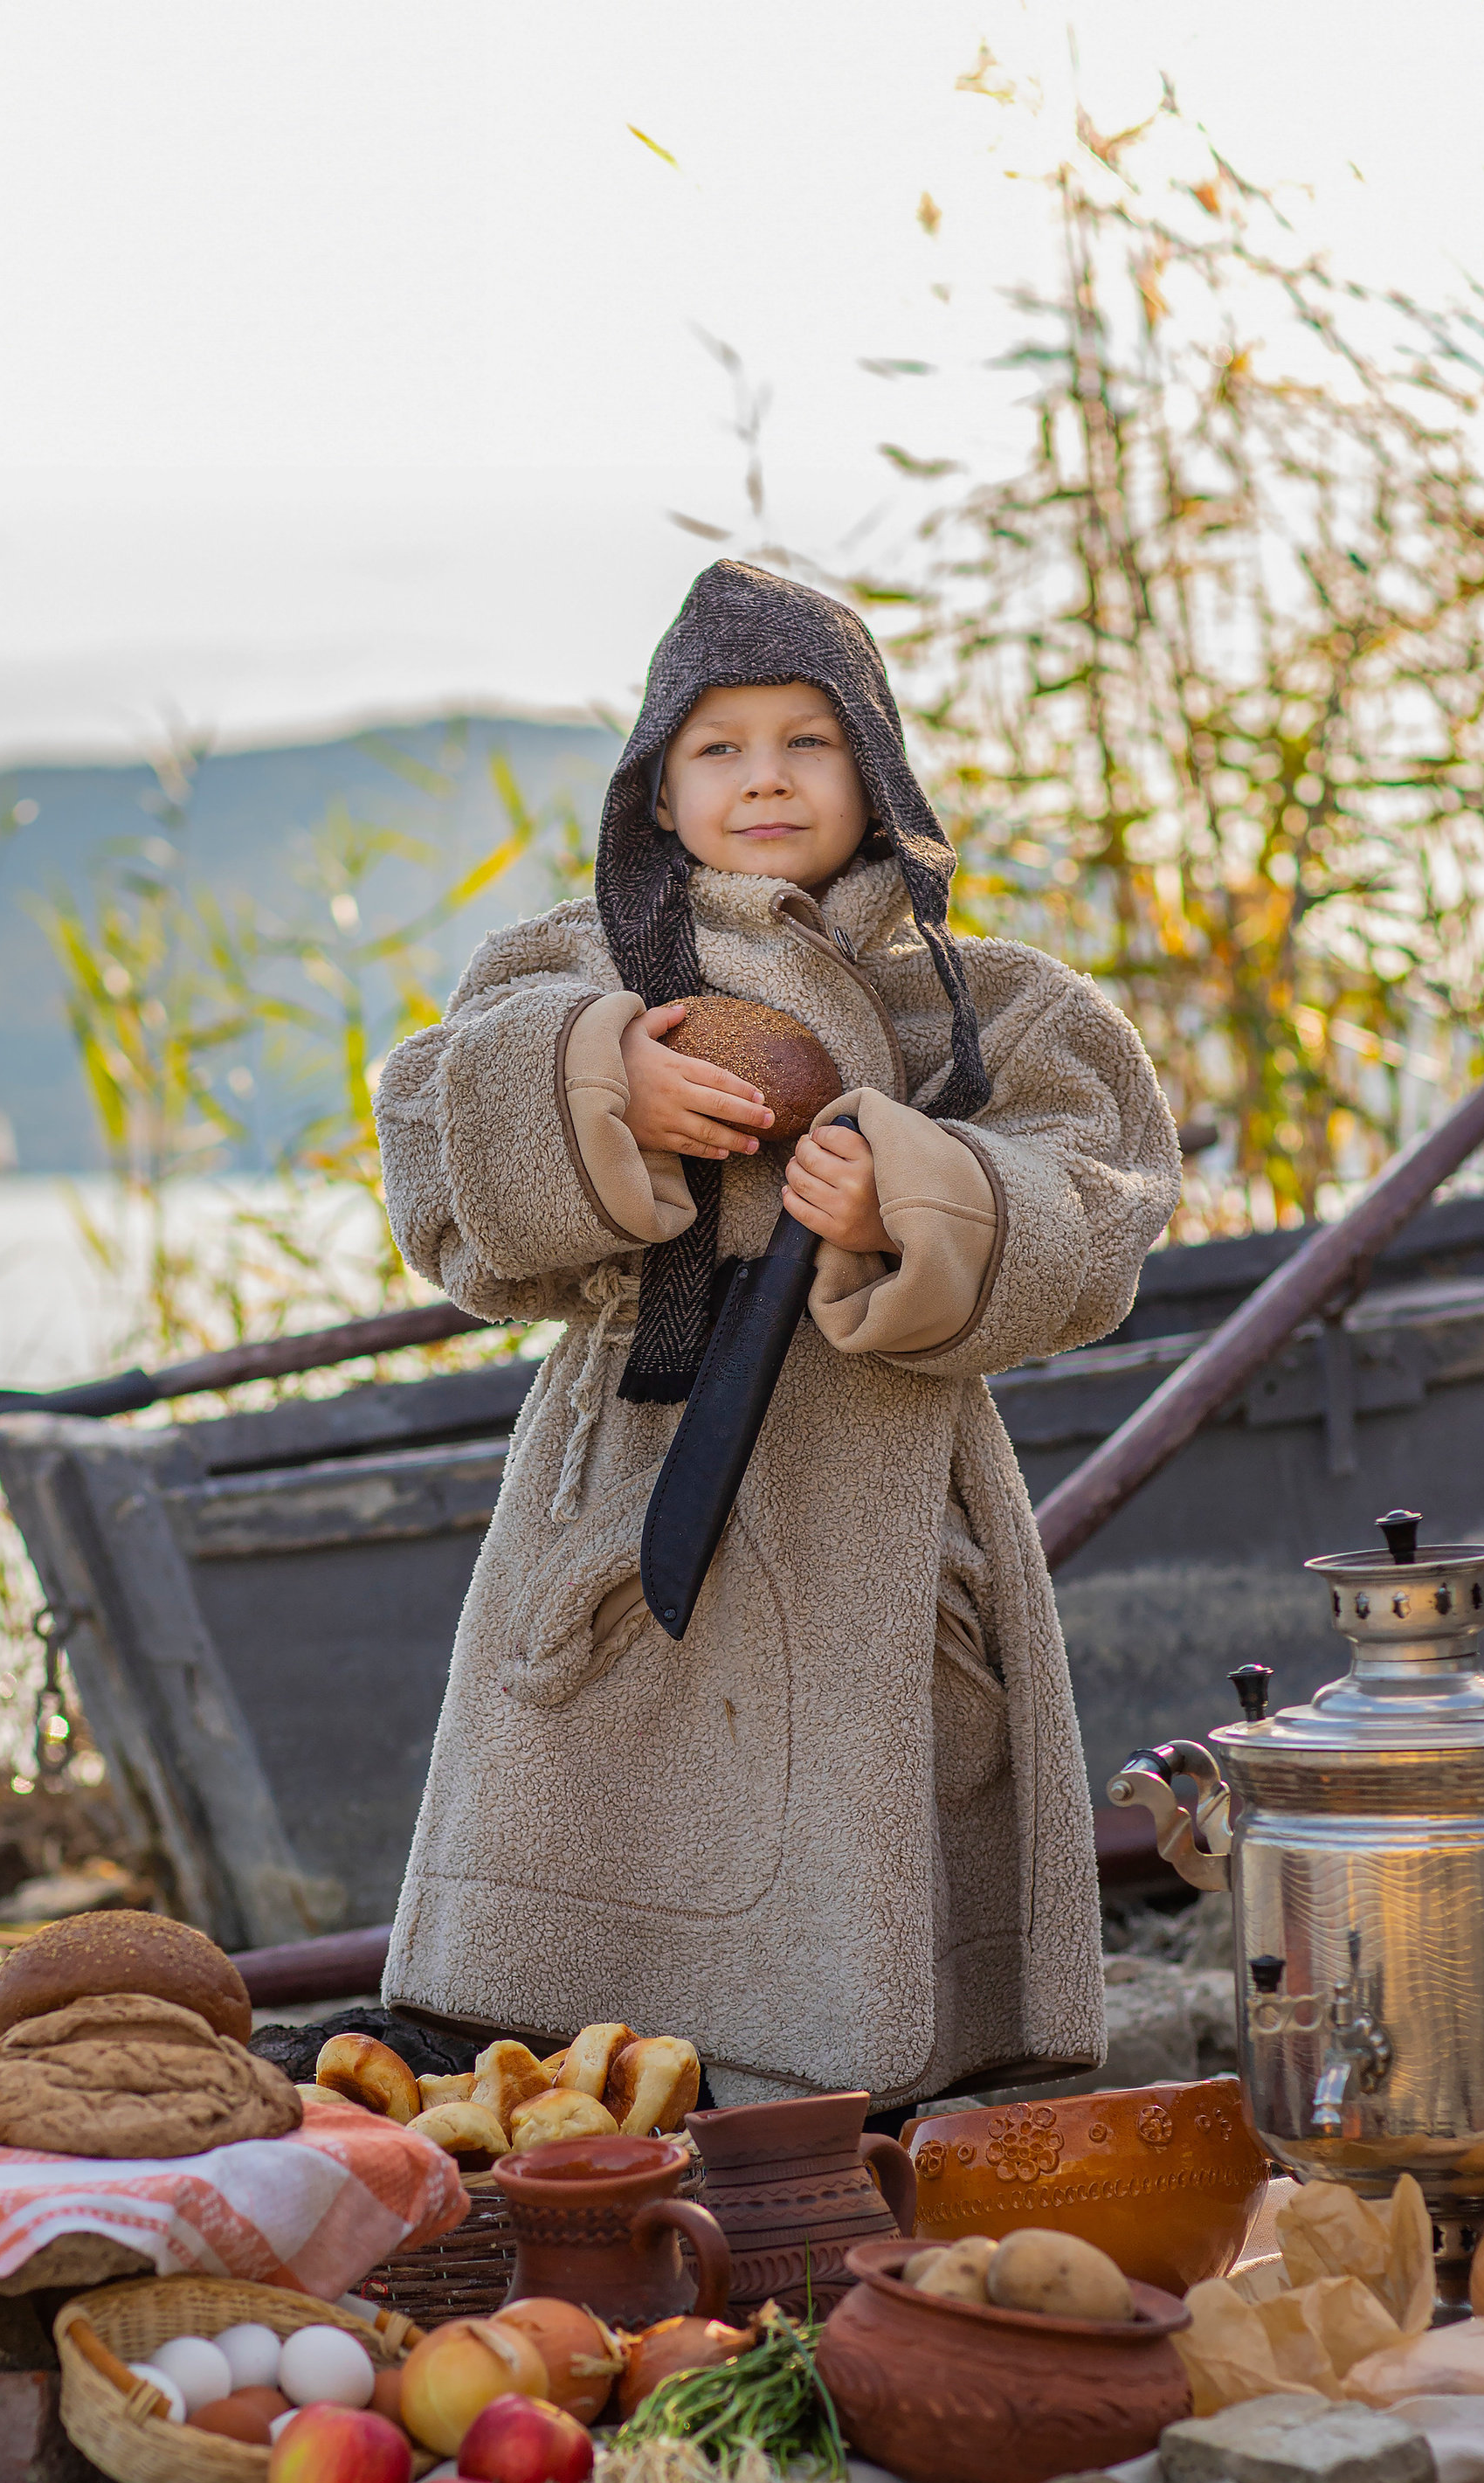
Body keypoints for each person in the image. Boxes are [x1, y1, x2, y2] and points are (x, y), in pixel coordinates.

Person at [375, 560, 1179, 2108]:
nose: (764, 778)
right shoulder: (573, 973)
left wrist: (923, 1197)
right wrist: (599, 1081)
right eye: (719, 747)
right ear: (657, 789)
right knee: (598, 1774)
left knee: (867, 1820)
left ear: (874, 776)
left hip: (879, 1495)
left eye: (807, 742)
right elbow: (431, 1147)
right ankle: (560, 2088)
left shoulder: (991, 1006)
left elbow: (1107, 1200)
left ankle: (854, 2100)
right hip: (630, 1470)